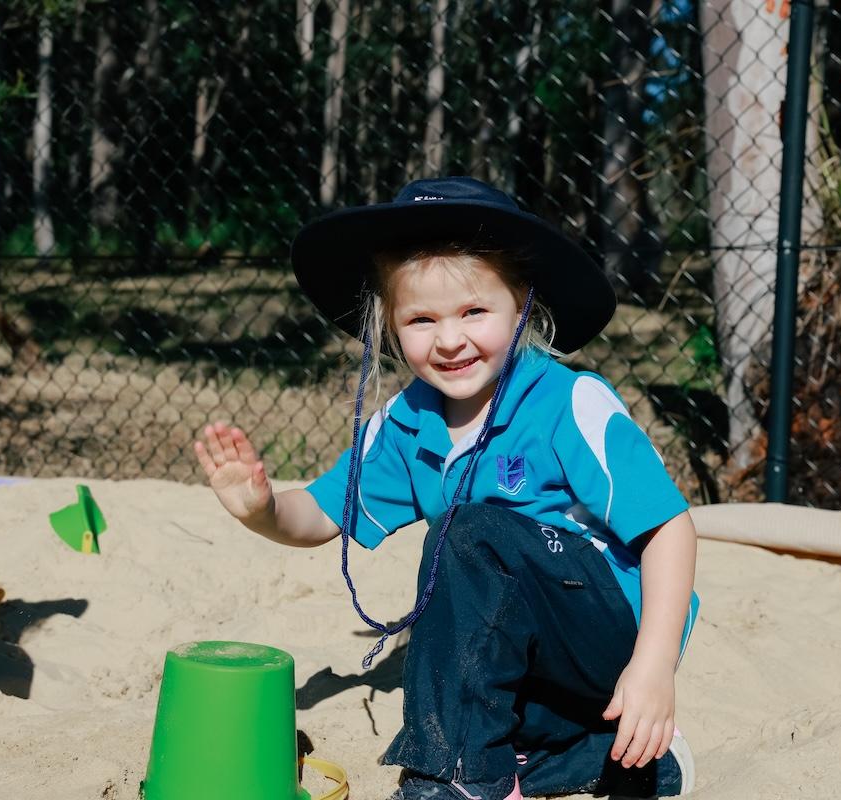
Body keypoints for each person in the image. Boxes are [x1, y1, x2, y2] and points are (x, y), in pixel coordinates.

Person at [196, 176, 699, 799]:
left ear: (522, 301)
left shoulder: (569, 402)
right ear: (390, 325)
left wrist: (653, 668)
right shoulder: (409, 423)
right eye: (421, 319)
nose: (450, 339)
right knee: (469, 596)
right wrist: (263, 508)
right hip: (531, 684)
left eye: (474, 311)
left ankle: (455, 781)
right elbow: (321, 516)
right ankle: (616, 762)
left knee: (469, 531)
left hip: (609, 643)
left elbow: (668, 528)